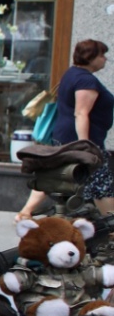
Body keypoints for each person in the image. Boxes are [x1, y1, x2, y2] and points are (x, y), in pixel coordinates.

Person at [17, 38, 113, 221]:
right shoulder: (86, 81)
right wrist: (86, 145)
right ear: (90, 57)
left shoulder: (72, 74)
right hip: (81, 139)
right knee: (102, 184)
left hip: (65, 135)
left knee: (56, 174)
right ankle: (111, 224)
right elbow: (81, 113)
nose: (105, 59)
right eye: (102, 55)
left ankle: (25, 212)